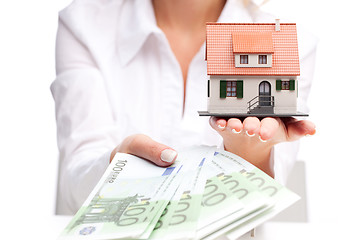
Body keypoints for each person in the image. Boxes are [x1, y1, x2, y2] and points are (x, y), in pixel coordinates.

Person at [51, 0, 317, 215]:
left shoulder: (291, 41)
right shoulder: (84, 24)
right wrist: (115, 164)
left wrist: (252, 153)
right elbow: (76, 186)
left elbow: (261, 205)